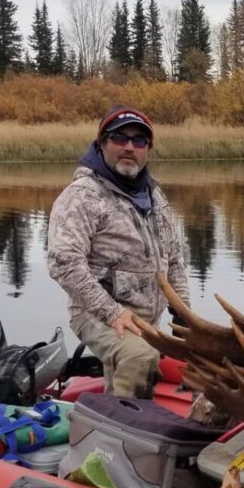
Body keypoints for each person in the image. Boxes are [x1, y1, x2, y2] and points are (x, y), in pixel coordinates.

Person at [46, 105, 190, 396]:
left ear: (147, 149)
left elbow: (173, 257)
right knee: (138, 356)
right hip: (96, 313)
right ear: (102, 143)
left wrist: (184, 311)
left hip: (146, 317)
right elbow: (63, 262)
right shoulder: (83, 195)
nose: (129, 147)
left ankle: (120, 413)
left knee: (179, 356)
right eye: (119, 138)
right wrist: (112, 312)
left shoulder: (154, 195)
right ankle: (119, 435)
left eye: (139, 141)